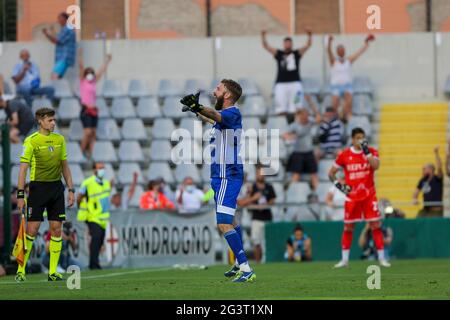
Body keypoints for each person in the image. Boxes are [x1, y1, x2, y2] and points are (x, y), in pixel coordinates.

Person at [180, 79, 255, 282]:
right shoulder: (226, 118)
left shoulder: (232, 113)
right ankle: (240, 263)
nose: (215, 92)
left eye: (218, 89)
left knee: (223, 224)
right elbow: (212, 119)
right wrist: (196, 111)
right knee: (229, 220)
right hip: (221, 175)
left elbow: (215, 115)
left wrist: (199, 106)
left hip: (226, 175)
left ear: (228, 95)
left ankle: (246, 269)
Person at [14, 107, 75, 282]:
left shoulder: (60, 139)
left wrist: (71, 189)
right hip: (38, 189)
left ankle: (53, 272)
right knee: (32, 230)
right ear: (40, 121)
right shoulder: (31, 141)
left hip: (56, 188)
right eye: (50, 120)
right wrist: (20, 195)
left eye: (54, 120)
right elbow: (23, 169)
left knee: (56, 229)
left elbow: (65, 166)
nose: (53, 123)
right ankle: (21, 270)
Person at [328, 127, 391, 268]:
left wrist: (366, 151)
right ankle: (344, 260)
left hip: (369, 196)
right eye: (357, 138)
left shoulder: (372, 151)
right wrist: (341, 187)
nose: (360, 140)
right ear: (352, 139)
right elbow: (331, 173)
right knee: (348, 228)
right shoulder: (344, 155)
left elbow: (376, 166)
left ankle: (382, 258)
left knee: (376, 226)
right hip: (352, 197)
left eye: (362, 137)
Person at [261, 29, 312, 116]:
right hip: (281, 84)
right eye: (286, 43)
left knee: (296, 108)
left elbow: (307, 45)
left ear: (292, 44)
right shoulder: (279, 54)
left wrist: (310, 35)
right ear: (283, 44)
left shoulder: (296, 53)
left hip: (295, 83)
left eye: (289, 43)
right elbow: (266, 46)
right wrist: (263, 36)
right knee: (281, 109)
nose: (288, 45)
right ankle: (283, 126)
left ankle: (295, 126)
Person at [327, 34, 374, 121]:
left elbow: (358, 53)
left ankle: (348, 118)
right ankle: (335, 119)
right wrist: (329, 42)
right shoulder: (334, 61)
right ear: (337, 52)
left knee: (349, 102)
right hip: (336, 86)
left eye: (343, 50)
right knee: (334, 103)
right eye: (340, 50)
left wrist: (366, 44)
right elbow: (329, 52)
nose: (342, 51)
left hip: (347, 85)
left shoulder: (348, 60)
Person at [78, 48, 112, 158]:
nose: (90, 74)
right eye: (88, 73)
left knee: (93, 134)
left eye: (91, 73)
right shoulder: (83, 82)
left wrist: (107, 61)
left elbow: (101, 71)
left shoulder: (93, 82)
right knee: (87, 132)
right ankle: (80, 152)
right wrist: (80, 56)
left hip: (94, 110)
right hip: (86, 109)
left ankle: (92, 155)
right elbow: (81, 67)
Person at [77, 162, 112, 270]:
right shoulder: (87, 183)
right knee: (96, 238)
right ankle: (93, 264)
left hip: (103, 217)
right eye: (100, 168)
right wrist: (83, 208)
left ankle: (95, 262)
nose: (102, 170)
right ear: (94, 170)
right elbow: (79, 197)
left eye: (103, 168)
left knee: (100, 239)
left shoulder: (106, 183)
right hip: (92, 216)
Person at [238, 165, 276, 263]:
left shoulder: (269, 186)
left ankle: (267, 260)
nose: (261, 176)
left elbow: (272, 200)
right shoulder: (252, 188)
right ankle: (258, 261)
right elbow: (244, 202)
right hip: (256, 217)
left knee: (266, 241)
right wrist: (254, 198)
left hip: (267, 217)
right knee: (256, 241)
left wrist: (266, 204)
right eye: (259, 173)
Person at [282, 108, 320, 190]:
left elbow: (319, 119)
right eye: (304, 115)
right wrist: (291, 137)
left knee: (314, 174)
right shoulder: (295, 125)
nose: (306, 117)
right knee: (296, 175)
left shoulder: (310, 122)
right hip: (298, 153)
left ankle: (318, 192)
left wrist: (311, 104)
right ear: (300, 116)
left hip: (309, 152)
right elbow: (284, 135)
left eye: (307, 115)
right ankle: (292, 191)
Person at [42, 12, 76, 80]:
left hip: (64, 57)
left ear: (64, 19)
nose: (58, 20)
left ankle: (57, 90)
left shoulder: (67, 28)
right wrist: (49, 33)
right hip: (63, 58)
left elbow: (57, 40)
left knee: (54, 76)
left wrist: (47, 34)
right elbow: (56, 41)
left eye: (59, 18)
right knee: (58, 78)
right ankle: (60, 90)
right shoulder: (65, 29)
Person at [413, 146, 443, 217]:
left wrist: (436, 154)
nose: (422, 171)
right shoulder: (422, 180)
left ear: (430, 169)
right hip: (426, 209)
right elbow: (416, 193)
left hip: (436, 210)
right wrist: (415, 199)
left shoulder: (437, 178)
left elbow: (439, 167)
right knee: (418, 219)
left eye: (424, 169)